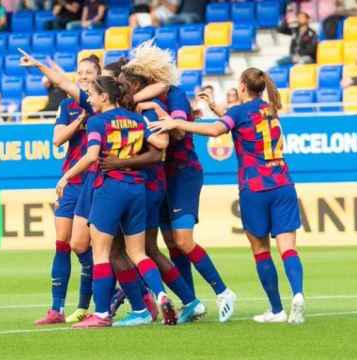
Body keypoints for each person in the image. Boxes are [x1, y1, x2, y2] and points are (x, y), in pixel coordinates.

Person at [150, 67, 305, 324]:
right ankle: (298, 295)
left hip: (255, 188)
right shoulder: (269, 109)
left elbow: (215, 131)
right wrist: (215, 109)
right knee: (288, 248)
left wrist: (177, 122)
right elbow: (239, 124)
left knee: (261, 251)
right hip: (283, 185)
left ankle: (277, 310)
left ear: (242, 86)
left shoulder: (238, 112)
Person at [127, 41, 237, 323]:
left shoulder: (175, 95)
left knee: (183, 240)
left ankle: (223, 291)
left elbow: (176, 132)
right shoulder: (144, 98)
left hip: (184, 173)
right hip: (163, 178)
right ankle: (191, 301)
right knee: (172, 244)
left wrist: (158, 110)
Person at [54, 76, 174, 328]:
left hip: (110, 189)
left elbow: (92, 156)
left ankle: (101, 314)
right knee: (138, 252)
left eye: (93, 94)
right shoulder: (135, 118)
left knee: (101, 253)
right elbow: (161, 143)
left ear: (104, 97)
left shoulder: (98, 121)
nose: (90, 98)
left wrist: (66, 176)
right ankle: (160, 294)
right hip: (137, 189)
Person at [22, 52, 101, 325]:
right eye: (80, 72)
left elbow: (62, 82)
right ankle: (56, 309)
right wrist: (79, 120)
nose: (83, 76)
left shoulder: (101, 104)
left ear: (98, 76)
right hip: (70, 180)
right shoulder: (69, 106)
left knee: (85, 245)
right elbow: (57, 139)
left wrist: (40, 66)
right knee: (62, 243)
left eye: (88, 72)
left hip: (94, 181)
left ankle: (91, 303)